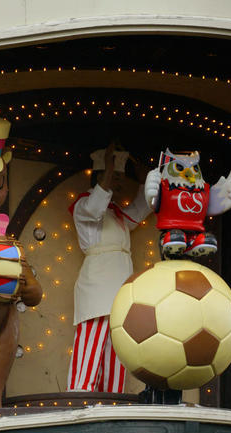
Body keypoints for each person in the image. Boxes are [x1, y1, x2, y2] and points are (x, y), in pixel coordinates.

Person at [67, 143, 151, 393]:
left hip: (120, 288)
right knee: (90, 345)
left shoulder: (118, 215)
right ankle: (79, 396)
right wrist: (109, 166)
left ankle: (113, 399)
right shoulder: (83, 206)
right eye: (113, 175)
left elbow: (141, 207)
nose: (116, 181)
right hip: (97, 286)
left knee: (118, 346)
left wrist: (146, 178)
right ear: (99, 175)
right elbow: (95, 208)